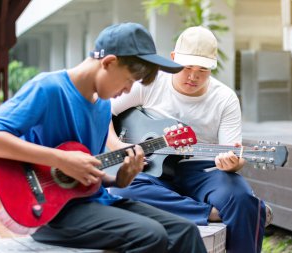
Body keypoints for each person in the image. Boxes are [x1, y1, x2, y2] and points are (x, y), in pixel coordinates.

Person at [0, 23, 208, 253]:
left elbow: (82, 174)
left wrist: (119, 180)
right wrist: (60, 160)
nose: (127, 91)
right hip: (50, 211)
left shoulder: (103, 106)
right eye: (128, 81)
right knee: (150, 234)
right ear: (109, 62)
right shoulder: (48, 88)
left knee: (186, 231)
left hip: (95, 202)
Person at [107, 26, 271, 253]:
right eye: (187, 68)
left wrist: (235, 163)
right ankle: (209, 213)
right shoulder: (150, 83)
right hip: (153, 170)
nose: (193, 76)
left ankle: (211, 213)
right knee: (120, 191)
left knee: (242, 200)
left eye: (202, 70)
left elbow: (233, 154)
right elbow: (103, 111)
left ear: (212, 67)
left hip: (204, 170)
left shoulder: (224, 98)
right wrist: (119, 146)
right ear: (173, 59)